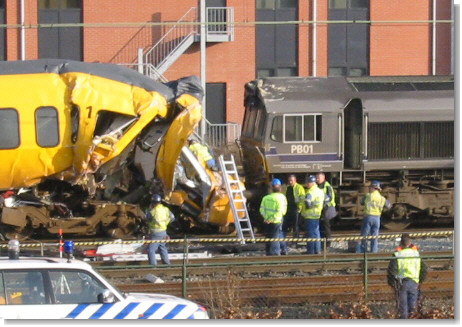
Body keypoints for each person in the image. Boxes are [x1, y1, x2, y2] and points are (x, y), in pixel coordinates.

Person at [387, 233, 427, 319]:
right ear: (410, 243)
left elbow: (391, 271)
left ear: (401, 243)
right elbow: (424, 269)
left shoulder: (398, 254)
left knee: (402, 310)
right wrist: (420, 281)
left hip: (401, 284)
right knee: (413, 309)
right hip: (414, 283)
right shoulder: (416, 254)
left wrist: (392, 284)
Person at [356, 180, 391, 253]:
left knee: (364, 235)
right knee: (375, 236)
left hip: (368, 217)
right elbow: (389, 206)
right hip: (377, 219)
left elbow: (361, 202)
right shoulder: (382, 198)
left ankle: (363, 250)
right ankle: (374, 251)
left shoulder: (368, 196)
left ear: (372, 188)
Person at [259, 178, 287, 256]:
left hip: (267, 221)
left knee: (269, 236)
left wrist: (266, 218)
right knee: (275, 237)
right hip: (277, 220)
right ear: (280, 187)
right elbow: (281, 211)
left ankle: (269, 252)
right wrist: (272, 219)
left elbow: (262, 209)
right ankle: (275, 253)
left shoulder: (266, 198)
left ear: (272, 187)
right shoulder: (282, 198)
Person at [146, 194, 175, 265]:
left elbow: (147, 219)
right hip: (163, 232)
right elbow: (172, 218)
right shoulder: (165, 209)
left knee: (150, 250)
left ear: (152, 202)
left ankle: (153, 266)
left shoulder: (152, 211)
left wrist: (149, 209)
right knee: (162, 248)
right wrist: (165, 224)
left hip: (155, 233)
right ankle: (167, 264)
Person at [280, 175, 305, 255]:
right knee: (284, 226)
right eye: (289, 180)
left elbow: (302, 198)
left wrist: (299, 208)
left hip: (295, 209)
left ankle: (295, 242)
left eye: (291, 180)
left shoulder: (299, 188)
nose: (290, 182)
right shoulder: (287, 188)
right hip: (288, 209)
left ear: (295, 180)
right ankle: (283, 242)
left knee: (296, 226)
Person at [301, 175, 325, 254]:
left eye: (308, 182)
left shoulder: (310, 192)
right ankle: (317, 250)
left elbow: (308, 203)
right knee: (316, 233)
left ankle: (310, 251)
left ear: (311, 183)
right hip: (317, 214)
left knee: (310, 234)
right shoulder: (320, 191)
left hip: (309, 215)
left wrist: (305, 208)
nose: (307, 184)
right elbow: (327, 199)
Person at [316, 172, 337, 248]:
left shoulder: (327, 186)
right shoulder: (317, 186)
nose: (317, 179)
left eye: (318, 178)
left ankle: (327, 243)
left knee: (326, 226)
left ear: (323, 178)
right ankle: (323, 242)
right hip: (321, 209)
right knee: (322, 226)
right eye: (316, 178)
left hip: (327, 209)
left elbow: (330, 197)